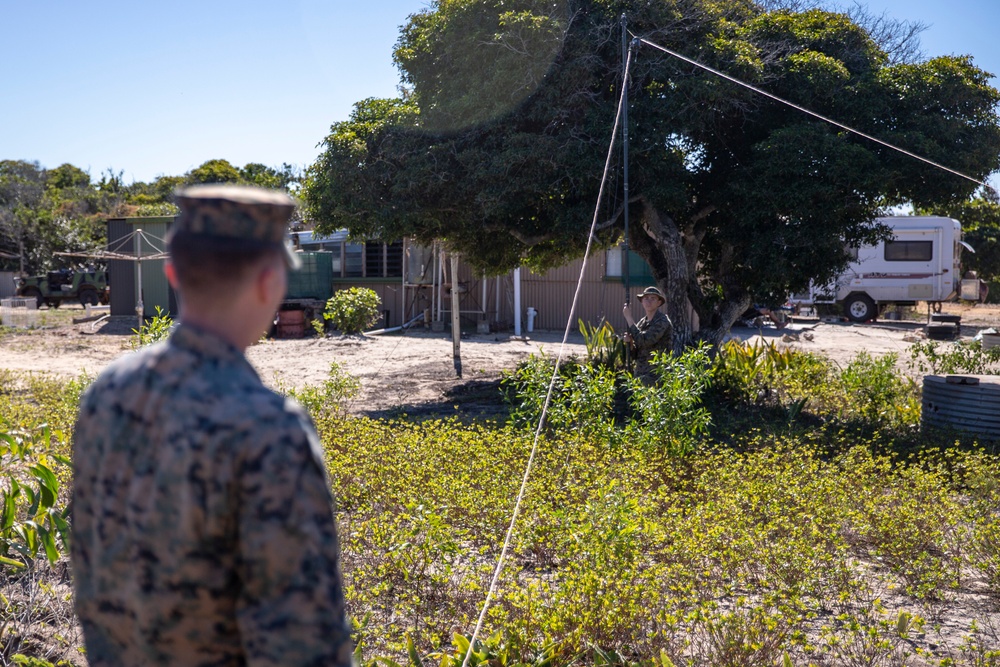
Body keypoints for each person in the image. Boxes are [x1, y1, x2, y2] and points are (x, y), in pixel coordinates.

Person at [71, 185, 352, 666]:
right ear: (272, 283)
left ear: (173, 271)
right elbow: (303, 643)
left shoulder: (107, 392)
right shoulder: (267, 428)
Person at [622, 285, 673, 382]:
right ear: (642, 302)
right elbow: (636, 353)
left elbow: (645, 341)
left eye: (652, 298)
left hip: (657, 375)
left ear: (659, 303)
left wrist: (629, 318)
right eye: (646, 298)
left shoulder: (662, 321)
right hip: (641, 374)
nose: (648, 301)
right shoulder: (642, 323)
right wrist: (631, 343)